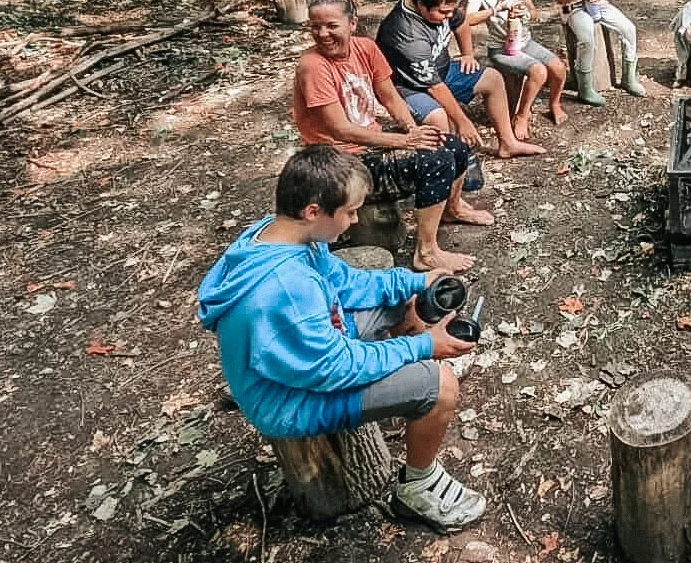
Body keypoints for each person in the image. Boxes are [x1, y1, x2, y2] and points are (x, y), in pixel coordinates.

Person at [197, 147, 485, 531]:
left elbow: (345, 284)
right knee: (442, 386)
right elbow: (336, 368)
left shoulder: (284, 234)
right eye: (349, 212)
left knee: (409, 304)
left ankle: (406, 385)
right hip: (290, 399)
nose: (353, 221)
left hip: (310, 357)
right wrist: (423, 347)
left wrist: (414, 282)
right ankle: (419, 486)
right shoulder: (286, 288)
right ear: (314, 210)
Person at [292, 0, 483, 275]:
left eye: (332, 26)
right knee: (435, 161)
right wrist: (406, 140)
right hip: (336, 161)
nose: (322, 34)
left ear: (352, 23)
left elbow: (390, 96)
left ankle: (452, 208)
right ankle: (426, 253)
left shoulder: (366, 48)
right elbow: (341, 130)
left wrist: (412, 129)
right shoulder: (313, 66)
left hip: (370, 145)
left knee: (453, 146)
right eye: (315, 27)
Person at [376, 0, 546, 159]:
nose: (449, 16)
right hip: (407, 86)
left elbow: (461, 21)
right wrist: (462, 121)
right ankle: (448, 166)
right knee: (439, 119)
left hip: (441, 70)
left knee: (493, 79)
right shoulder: (406, 33)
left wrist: (468, 54)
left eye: (451, 10)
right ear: (421, 5)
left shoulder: (443, 4)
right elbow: (434, 87)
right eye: (443, 13)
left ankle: (508, 143)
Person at [467, 0, 567, 136]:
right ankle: (521, 115)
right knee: (538, 71)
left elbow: (534, 12)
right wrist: (496, 9)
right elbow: (468, 19)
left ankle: (554, 103)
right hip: (500, 49)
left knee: (559, 68)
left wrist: (525, 13)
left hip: (525, 42)